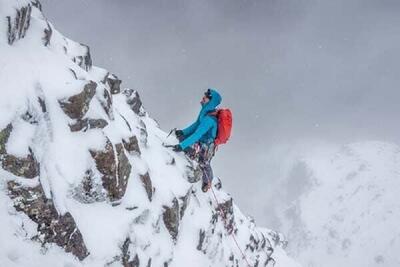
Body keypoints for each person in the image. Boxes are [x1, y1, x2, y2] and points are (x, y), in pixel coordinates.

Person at [173, 88, 222, 192]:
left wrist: (182, 146)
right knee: (183, 139)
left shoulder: (210, 119)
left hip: (207, 146)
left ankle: (207, 181)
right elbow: (196, 125)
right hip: (201, 142)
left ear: (211, 101)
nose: (203, 98)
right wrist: (183, 132)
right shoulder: (206, 112)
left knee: (204, 163)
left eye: (205, 97)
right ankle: (192, 155)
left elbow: (197, 134)